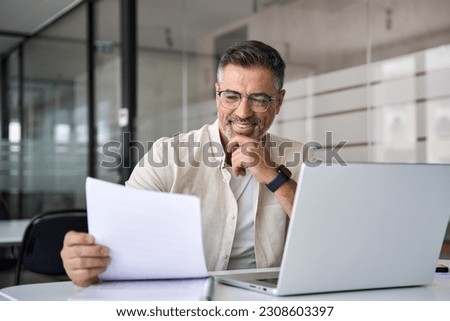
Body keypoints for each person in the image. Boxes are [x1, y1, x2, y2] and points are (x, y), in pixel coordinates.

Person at [61, 40, 306, 287]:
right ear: (217, 94)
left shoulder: (304, 159)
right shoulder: (166, 157)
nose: (242, 112)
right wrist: (87, 266)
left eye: (258, 99)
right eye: (231, 96)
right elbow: (120, 244)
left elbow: (333, 239)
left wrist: (274, 176)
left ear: (278, 101)